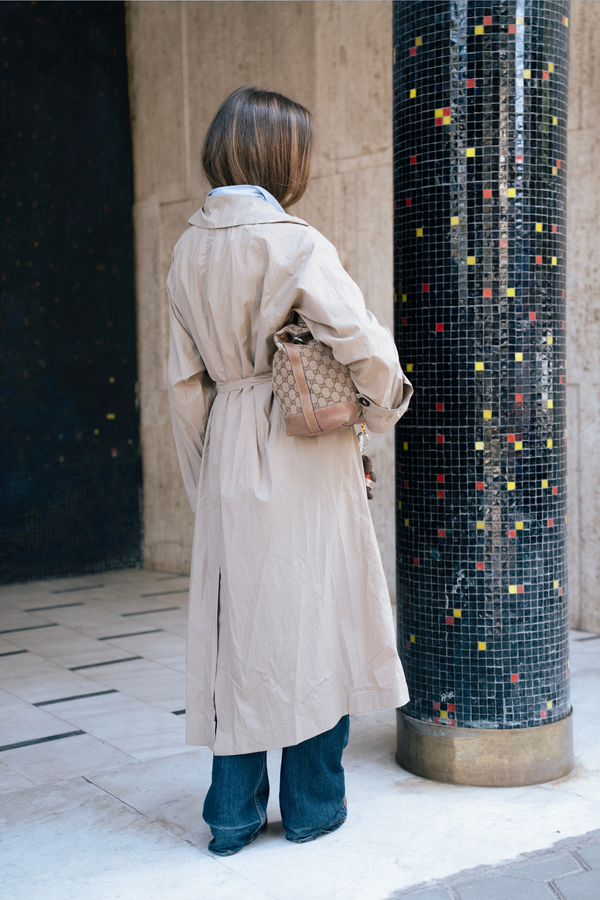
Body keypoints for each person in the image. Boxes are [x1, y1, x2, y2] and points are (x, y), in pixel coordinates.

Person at [166, 85, 413, 857]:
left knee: (237, 630)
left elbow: (180, 386)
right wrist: (382, 408)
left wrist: (206, 480)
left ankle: (233, 815)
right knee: (319, 622)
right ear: (282, 156)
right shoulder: (295, 241)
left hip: (230, 442)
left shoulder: (186, 248)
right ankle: (312, 807)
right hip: (300, 444)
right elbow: (363, 343)